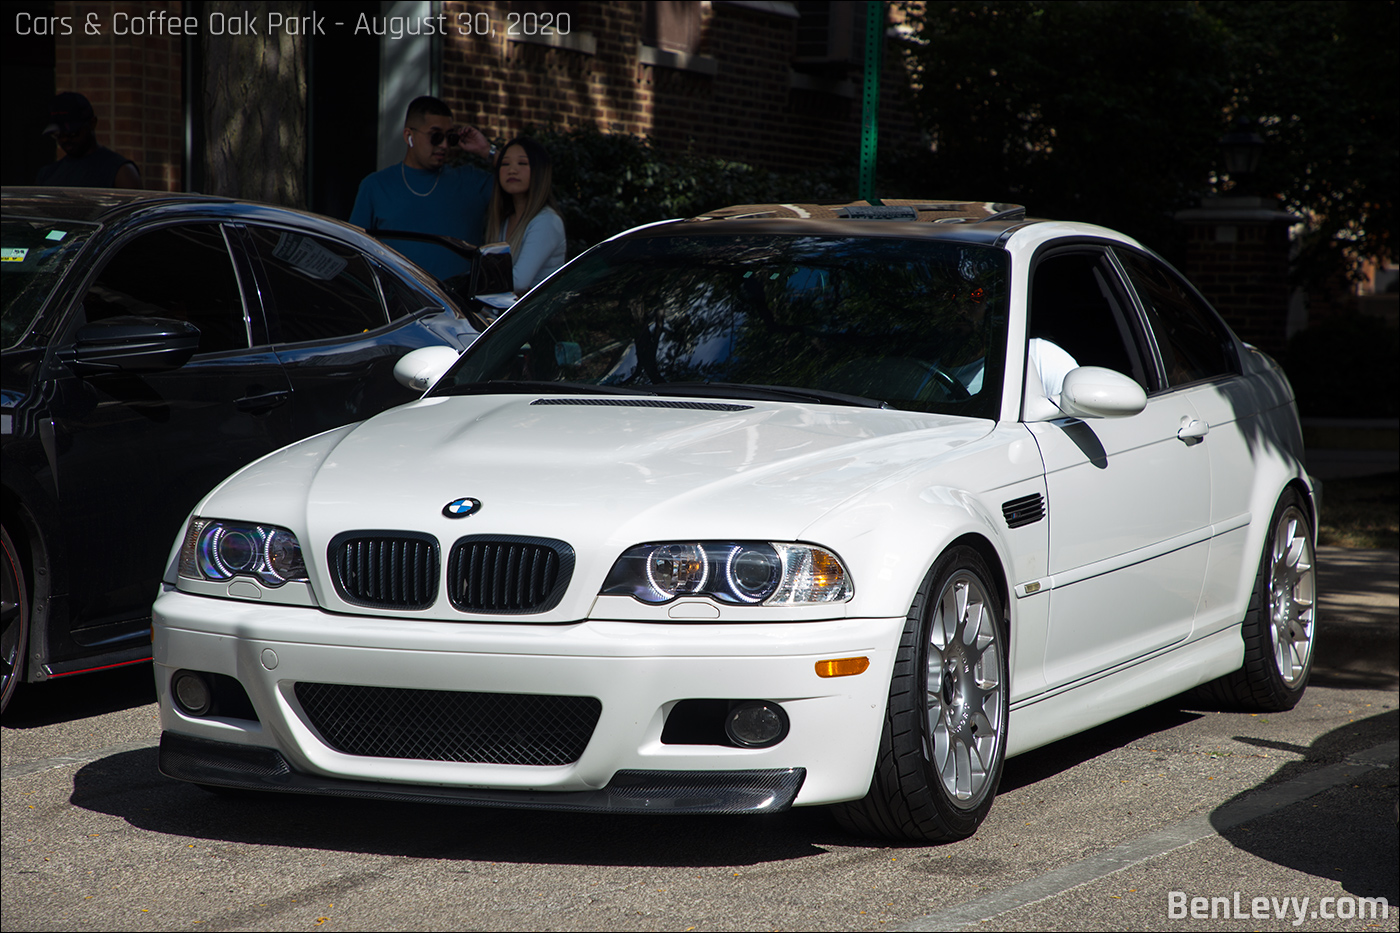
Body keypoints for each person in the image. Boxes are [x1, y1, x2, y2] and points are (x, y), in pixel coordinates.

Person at [349, 96, 495, 281]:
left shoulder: (470, 181)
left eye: (450, 137)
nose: (443, 145)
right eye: (435, 136)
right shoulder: (376, 186)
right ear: (409, 136)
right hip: (399, 304)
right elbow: (354, 253)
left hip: (459, 305)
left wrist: (486, 151)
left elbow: (529, 186)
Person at [483, 137, 567, 293]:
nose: (512, 170)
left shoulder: (547, 221)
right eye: (505, 164)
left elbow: (518, 282)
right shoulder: (505, 220)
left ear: (539, 171)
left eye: (522, 163)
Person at [36, 92, 142, 189]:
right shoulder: (48, 174)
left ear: (92, 123)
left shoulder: (120, 171)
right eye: (58, 134)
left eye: (72, 133)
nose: (65, 139)